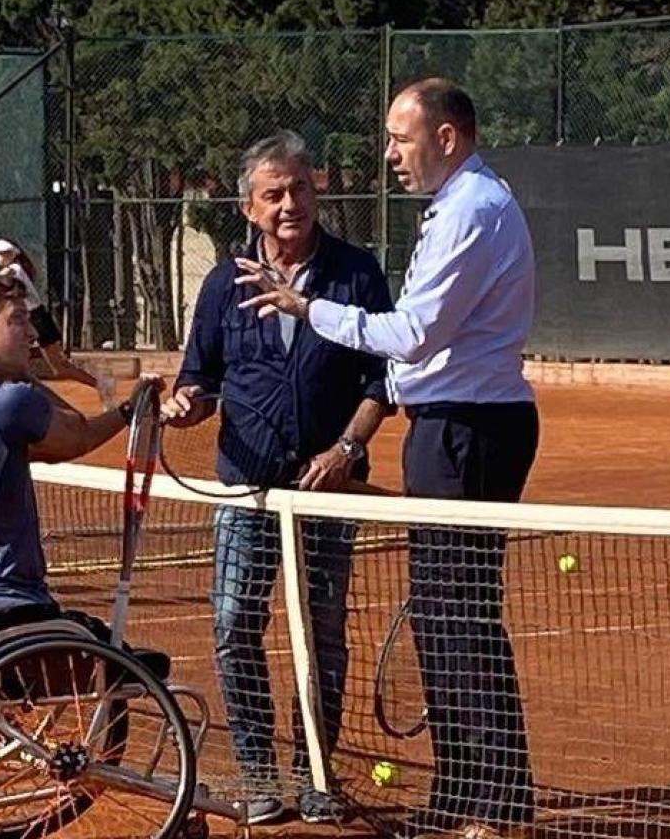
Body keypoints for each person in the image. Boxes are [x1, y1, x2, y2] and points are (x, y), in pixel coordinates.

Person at [236, 79, 538, 839]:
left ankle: (500, 805)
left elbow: (412, 334)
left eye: (402, 139)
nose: (391, 154)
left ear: (446, 138)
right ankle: (459, 794)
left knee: (461, 615)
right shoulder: (457, 206)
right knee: (439, 617)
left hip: (471, 429)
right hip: (447, 427)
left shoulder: (472, 209)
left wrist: (308, 308)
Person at [160, 130, 394, 826]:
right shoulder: (222, 284)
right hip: (246, 488)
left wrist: (347, 448)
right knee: (235, 623)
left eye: (299, 188)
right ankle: (260, 775)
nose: (290, 204)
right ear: (249, 207)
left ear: (316, 189)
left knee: (323, 632)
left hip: (329, 489)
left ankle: (316, 775)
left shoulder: (358, 273)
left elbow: (383, 379)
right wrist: (186, 404)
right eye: (273, 194)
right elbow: (200, 377)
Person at [0, 272, 154, 670]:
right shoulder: (9, 403)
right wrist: (130, 409)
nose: (33, 335)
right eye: (18, 320)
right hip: (18, 617)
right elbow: (76, 434)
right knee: (143, 666)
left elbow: (47, 450)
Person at [0, 238, 110, 400]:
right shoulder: (12, 272)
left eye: (0, 253)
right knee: (23, 362)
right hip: (30, 318)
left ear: (11, 254)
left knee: (59, 368)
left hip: (38, 320)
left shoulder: (14, 269)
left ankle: (101, 385)